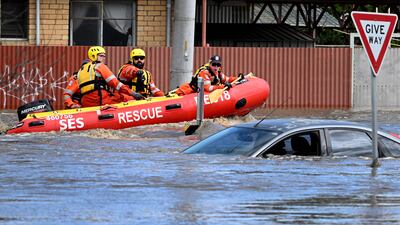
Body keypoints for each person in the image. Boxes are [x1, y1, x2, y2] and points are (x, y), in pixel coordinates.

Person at [77, 46, 144, 107]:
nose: (103, 58)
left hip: (85, 102)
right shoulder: (100, 66)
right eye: (101, 56)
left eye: (104, 56)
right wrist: (133, 94)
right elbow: (115, 84)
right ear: (93, 56)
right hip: (99, 99)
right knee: (125, 97)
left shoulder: (80, 71)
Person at [174, 55, 244, 96]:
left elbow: (227, 79)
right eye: (214, 64)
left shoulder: (218, 72)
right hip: (188, 92)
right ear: (210, 64)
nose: (216, 67)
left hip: (199, 93)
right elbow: (209, 88)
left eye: (218, 65)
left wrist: (239, 78)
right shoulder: (204, 72)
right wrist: (223, 86)